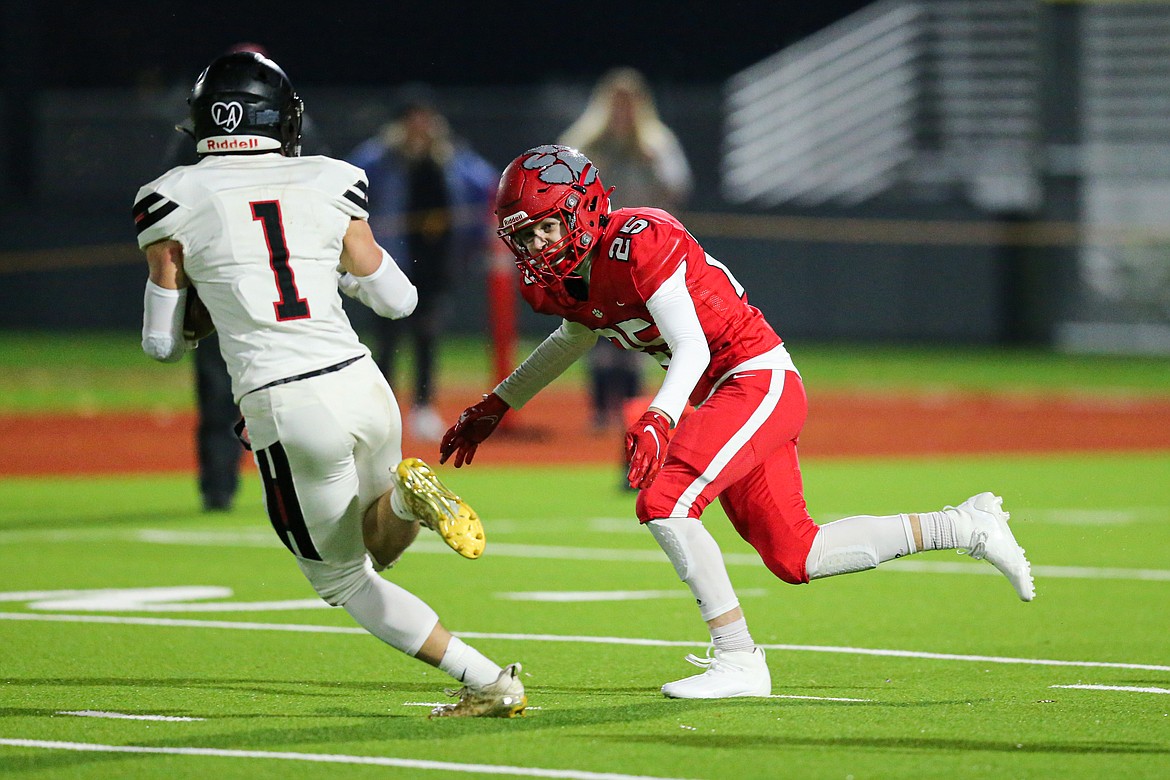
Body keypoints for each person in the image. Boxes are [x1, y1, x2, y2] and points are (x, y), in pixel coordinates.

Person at [439, 144, 1035, 699]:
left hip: (754, 379)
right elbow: (575, 334)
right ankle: (965, 526)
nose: (539, 246)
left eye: (548, 226)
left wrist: (658, 418)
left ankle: (738, 657)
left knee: (664, 502)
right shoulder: (563, 281)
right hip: (730, 391)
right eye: (527, 235)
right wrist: (499, 402)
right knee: (798, 555)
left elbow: (693, 348)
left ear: (586, 208)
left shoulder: (641, 239)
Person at [133, 51, 525, 718]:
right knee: (378, 545)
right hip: (362, 383)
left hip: (287, 403)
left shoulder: (169, 196)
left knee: (345, 579)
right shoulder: (327, 178)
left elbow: (162, 344)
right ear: (280, 119)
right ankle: (406, 501)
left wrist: (206, 300)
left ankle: (488, 679)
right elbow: (398, 300)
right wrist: (330, 275)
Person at [160, 41, 332, 513]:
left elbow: (169, 202)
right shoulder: (301, 131)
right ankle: (262, 489)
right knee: (288, 387)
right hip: (276, 285)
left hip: (236, 281)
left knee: (253, 389)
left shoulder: (198, 132)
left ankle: (234, 488)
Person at [346, 91, 497, 441]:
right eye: (412, 118)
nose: (420, 126)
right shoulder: (381, 156)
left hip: (434, 264)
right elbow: (348, 179)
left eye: (425, 118)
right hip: (388, 261)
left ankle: (423, 407)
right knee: (385, 339)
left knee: (427, 335)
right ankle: (381, 412)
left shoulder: (449, 156)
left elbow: (488, 184)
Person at [559, 68, 693, 432]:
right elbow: (558, 184)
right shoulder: (586, 141)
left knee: (642, 331)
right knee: (598, 328)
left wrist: (652, 168)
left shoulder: (656, 142)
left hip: (643, 249)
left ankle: (632, 411)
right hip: (594, 250)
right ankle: (601, 411)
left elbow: (678, 186)